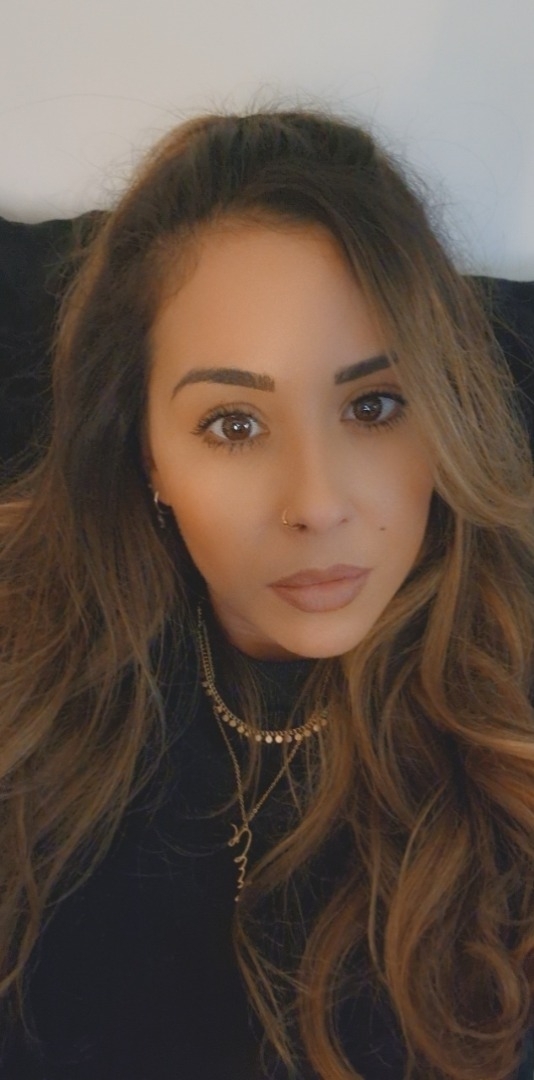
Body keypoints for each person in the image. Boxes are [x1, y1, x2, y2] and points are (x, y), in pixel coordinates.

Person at [0, 108, 533, 1080]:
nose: (317, 505)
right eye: (234, 425)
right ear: (145, 452)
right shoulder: (31, 664)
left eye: (374, 405)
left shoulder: (512, 717)